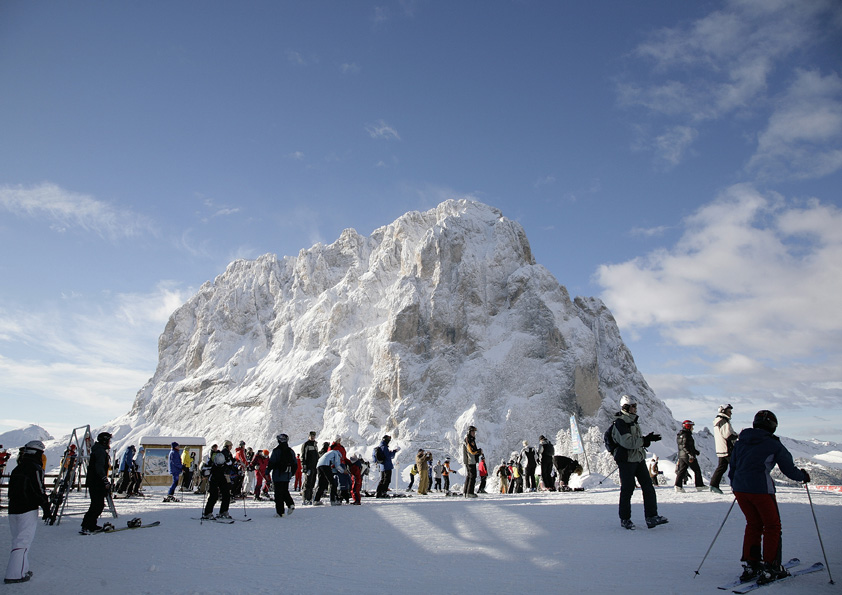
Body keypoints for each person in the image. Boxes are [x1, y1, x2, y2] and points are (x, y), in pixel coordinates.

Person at [729, 410, 810, 585]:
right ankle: (771, 567)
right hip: (761, 490)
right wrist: (803, 476)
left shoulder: (741, 442)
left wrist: (736, 485)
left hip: (740, 488)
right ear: (772, 426)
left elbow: (733, 466)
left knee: (753, 524)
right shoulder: (773, 444)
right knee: (772, 526)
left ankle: (752, 564)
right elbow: (788, 469)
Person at [611, 395, 667, 530]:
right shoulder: (620, 423)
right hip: (627, 461)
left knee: (648, 487)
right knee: (627, 489)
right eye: (633, 406)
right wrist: (645, 440)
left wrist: (646, 439)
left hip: (638, 459)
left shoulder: (633, 421)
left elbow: (634, 440)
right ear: (626, 407)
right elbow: (628, 442)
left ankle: (652, 517)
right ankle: (625, 519)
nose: (636, 408)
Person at [4, 441, 49, 584]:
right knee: (23, 542)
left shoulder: (18, 468)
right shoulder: (35, 468)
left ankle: (22, 569)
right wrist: (46, 507)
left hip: (13, 509)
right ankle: (14, 574)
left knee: (17, 540)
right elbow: (39, 490)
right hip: (27, 509)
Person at [81, 432, 112, 533]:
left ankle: (90, 524)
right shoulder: (100, 452)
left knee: (97, 504)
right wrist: (104, 479)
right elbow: (99, 467)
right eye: (108, 440)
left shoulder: (99, 450)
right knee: (97, 505)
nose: (109, 442)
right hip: (96, 481)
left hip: (95, 480)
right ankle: (87, 525)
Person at [710, 404, 738, 495]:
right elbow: (728, 435)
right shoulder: (723, 421)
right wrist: (737, 436)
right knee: (735, 467)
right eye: (729, 411)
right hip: (727, 448)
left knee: (722, 467)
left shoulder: (718, 420)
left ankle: (714, 485)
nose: (731, 413)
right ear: (724, 411)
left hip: (721, 448)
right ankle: (737, 486)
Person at [202, 441, 234, 520]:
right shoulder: (213, 465)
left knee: (226, 494)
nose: (220, 465)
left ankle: (223, 511)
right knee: (214, 496)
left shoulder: (223, 464)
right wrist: (205, 473)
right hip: (214, 478)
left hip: (221, 478)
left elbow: (230, 466)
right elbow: (204, 468)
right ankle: (207, 513)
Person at [267, 434, 296, 517]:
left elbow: (271, 462)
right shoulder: (290, 451)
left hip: (278, 475)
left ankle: (280, 512)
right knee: (285, 490)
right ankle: (290, 504)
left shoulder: (276, 451)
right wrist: (291, 474)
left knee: (278, 494)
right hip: (287, 475)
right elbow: (295, 463)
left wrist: (267, 472)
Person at [674, 420, 706, 492]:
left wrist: (695, 451)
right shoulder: (687, 435)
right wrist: (690, 454)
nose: (693, 428)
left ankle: (678, 486)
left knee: (682, 471)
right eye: (692, 426)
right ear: (688, 426)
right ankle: (699, 485)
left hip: (681, 456)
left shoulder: (680, 435)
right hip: (688, 456)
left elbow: (684, 446)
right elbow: (685, 446)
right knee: (697, 470)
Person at [300, 431, 320, 505]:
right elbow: (303, 456)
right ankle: (305, 499)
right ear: (309, 436)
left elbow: (317, 456)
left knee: (312, 483)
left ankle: (310, 498)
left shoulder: (315, 445)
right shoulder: (306, 444)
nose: (312, 437)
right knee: (307, 483)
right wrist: (304, 466)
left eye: (314, 436)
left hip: (314, 467)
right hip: (309, 467)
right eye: (311, 436)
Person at [461, 425, 481, 498]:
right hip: (470, 460)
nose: (474, 433)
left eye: (474, 432)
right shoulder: (469, 440)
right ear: (469, 432)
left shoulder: (469, 439)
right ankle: (470, 492)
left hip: (469, 460)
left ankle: (466, 492)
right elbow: (471, 451)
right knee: (473, 476)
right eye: (472, 431)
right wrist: (478, 452)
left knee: (469, 476)